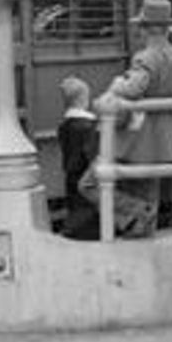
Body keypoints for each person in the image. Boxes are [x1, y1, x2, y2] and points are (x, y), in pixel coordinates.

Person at [95, 0, 172, 236]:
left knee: (94, 182)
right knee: (151, 188)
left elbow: (133, 89)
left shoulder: (144, 58)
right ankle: (145, 228)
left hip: (139, 140)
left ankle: (141, 218)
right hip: (170, 141)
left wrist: (116, 84)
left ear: (144, 28)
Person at [55, 76, 99, 239]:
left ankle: (72, 228)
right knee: (88, 207)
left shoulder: (64, 126)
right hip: (85, 173)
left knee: (74, 205)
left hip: (70, 172)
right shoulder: (89, 127)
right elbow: (91, 154)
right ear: (84, 99)